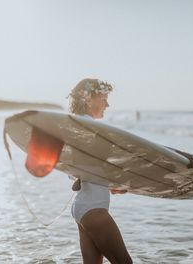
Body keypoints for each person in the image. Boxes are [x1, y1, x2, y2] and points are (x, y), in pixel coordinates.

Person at [67, 78, 133, 264]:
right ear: (88, 99)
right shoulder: (92, 128)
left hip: (82, 206)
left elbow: (81, 169)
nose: (107, 104)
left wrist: (110, 185)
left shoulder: (78, 127)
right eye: (104, 99)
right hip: (93, 208)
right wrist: (180, 155)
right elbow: (135, 150)